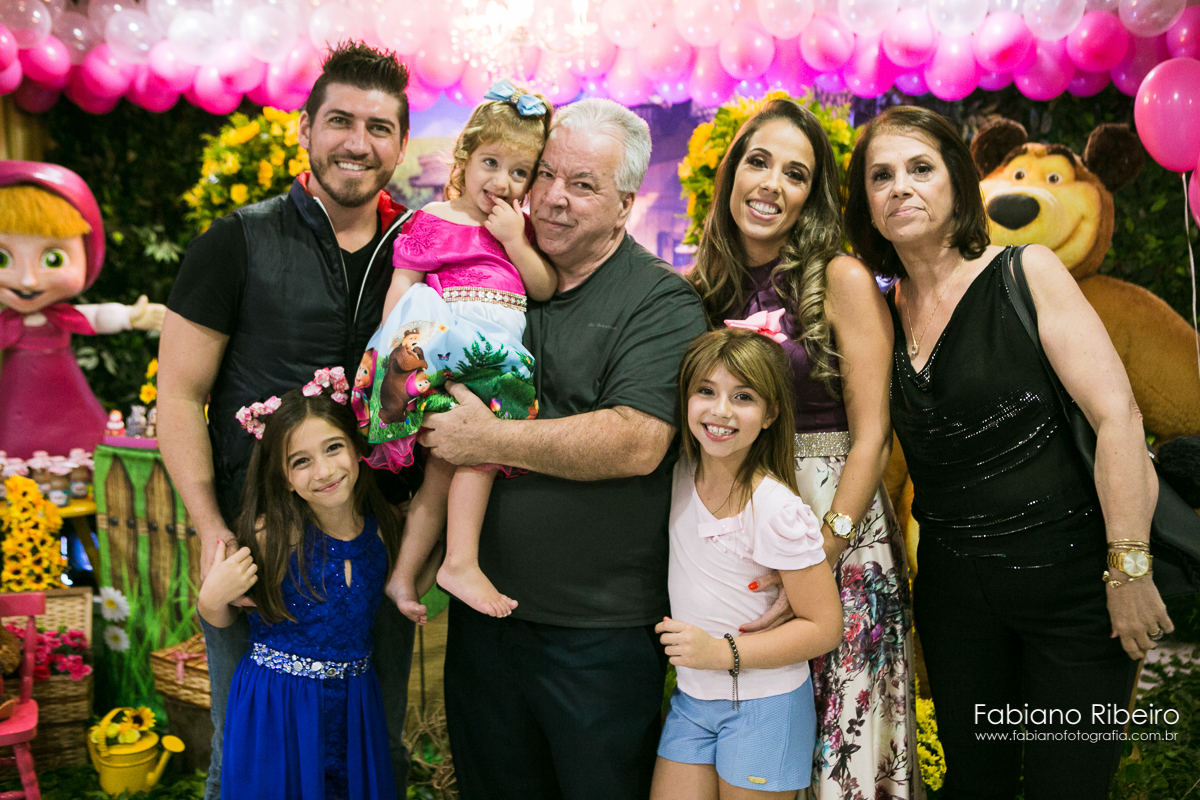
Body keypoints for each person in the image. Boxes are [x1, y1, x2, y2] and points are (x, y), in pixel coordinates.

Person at [843, 104, 1173, 799]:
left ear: (957, 183)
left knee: (1067, 787)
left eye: (920, 168)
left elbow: (1118, 417)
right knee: (975, 786)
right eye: (881, 176)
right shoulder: (880, 313)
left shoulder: (1028, 271)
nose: (901, 187)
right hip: (956, 605)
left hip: (1076, 596)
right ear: (866, 203)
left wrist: (1129, 568)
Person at [416, 98, 708, 799]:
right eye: (544, 173)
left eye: (582, 185)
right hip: (486, 625)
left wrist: (489, 438)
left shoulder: (659, 301)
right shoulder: (497, 271)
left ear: (625, 204)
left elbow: (636, 441)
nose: (551, 197)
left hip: (596, 635)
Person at [158, 42, 415, 800]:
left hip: (374, 546)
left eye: (378, 127)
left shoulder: (417, 252)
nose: (357, 143)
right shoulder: (236, 241)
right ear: (305, 129)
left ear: (401, 143)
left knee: (375, 744)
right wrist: (210, 526)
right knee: (246, 752)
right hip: (261, 548)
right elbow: (179, 396)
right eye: (340, 121)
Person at [686, 99, 913, 798]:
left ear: (812, 196)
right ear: (731, 173)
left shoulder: (841, 278)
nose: (771, 185)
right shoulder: (700, 288)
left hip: (836, 523)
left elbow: (873, 433)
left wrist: (826, 549)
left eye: (796, 174)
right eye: (758, 162)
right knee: (754, 738)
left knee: (842, 740)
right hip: (744, 531)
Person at [370, 81, 557, 623]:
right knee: (482, 450)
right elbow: (403, 287)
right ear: (465, 158)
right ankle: (460, 562)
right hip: (455, 352)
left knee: (441, 475)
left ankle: (403, 576)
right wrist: (395, 353)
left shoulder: (519, 228)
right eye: (490, 164)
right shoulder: (433, 219)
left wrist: (516, 240)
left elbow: (543, 287)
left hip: (499, 351)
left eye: (519, 172)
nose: (501, 182)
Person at [652, 327, 843, 800]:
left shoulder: (776, 509)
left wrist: (722, 653)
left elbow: (824, 628)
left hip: (765, 704)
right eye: (706, 391)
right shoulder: (678, 474)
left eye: (743, 397)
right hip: (693, 701)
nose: (720, 411)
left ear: (771, 413)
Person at [197, 377, 401, 800]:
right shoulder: (272, 537)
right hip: (278, 709)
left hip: (354, 706)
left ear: (357, 449)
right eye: (301, 461)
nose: (324, 471)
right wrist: (211, 598)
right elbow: (222, 613)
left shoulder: (383, 533)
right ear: (285, 479)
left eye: (333, 448)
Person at [0, 162, 165, 459]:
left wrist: (130, 316)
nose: (27, 280)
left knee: (85, 439)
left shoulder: (61, 317)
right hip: (17, 398)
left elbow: (95, 316)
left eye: (53, 259)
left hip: (65, 393)